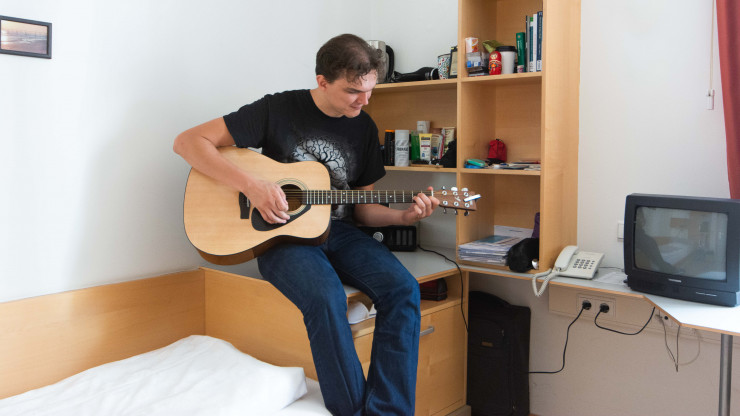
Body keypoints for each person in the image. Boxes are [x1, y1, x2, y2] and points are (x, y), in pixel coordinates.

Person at [173, 33, 439, 416]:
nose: (364, 102)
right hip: (280, 237)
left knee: (402, 289)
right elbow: (188, 142)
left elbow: (363, 209)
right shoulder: (277, 109)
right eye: (353, 92)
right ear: (322, 81)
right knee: (325, 297)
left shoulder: (363, 127)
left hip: (342, 232)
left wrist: (404, 216)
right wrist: (253, 185)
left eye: (370, 91)